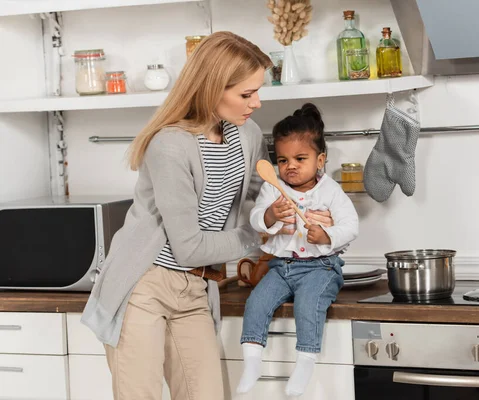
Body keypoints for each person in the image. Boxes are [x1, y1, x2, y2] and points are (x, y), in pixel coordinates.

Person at [80, 32, 331, 400]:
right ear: (212, 88)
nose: (257, 103)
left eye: (257, 91)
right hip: (145, 286)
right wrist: (262, 232)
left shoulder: (246, 134)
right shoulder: (170, 145)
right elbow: (190, 248)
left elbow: (254, 198)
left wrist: (304, 204)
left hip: (197, 288)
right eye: (246, 94)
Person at [237, 103, 360, 397]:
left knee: (308, 306)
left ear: (320, 160)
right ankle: (252, 361)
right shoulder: (273, 188)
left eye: (300, 158)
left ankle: (305, 362)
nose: (290, 166)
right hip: (281, 267)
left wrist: (327, 234)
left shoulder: (331, 191)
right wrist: (270, 216)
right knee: (255, 304)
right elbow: (255, 218)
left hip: (321, 268)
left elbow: (351, 226)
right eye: (283, 159)